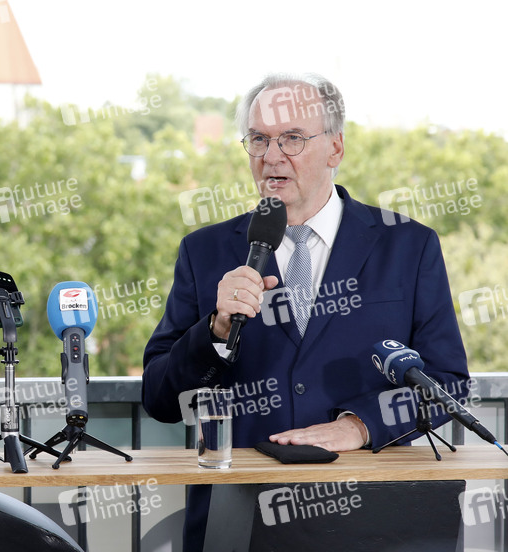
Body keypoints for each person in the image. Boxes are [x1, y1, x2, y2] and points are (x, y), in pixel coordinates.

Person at [141, 73, 470, 551]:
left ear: (335, 147)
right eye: (258, 139)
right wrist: (214, 329)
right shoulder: (204, 251)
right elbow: (158, 398)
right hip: (241, 521)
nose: (272, 156)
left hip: (375, 520)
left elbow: (448, 383)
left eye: (292, 138)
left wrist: (359, 426)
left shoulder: (408, 246)